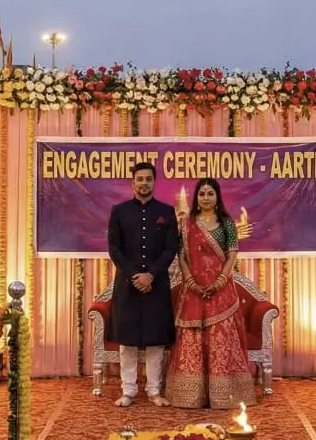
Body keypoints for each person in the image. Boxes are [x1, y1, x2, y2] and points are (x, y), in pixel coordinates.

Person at [166, 178, 256, 409]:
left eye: (210, 193)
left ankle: (223, 395)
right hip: (193, 291)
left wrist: (219, 281)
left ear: (217, 197)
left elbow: (232, 255)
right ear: (196, 197)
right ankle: (191, 395)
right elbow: (182, 256)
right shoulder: (186, 225)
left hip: (221, 292)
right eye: (202, 193)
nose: (205, 197)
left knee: (221, 340)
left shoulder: (227, 223)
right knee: (192, 340)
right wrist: (190, 281)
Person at [106, 162, 179, 408]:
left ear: (154, 182)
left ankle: (154, 390)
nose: (144, 183)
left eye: (148, 179)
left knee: (155, 341)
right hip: (127, 285)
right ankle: (128, 390)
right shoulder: (119, 211)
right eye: (140, 179)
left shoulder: (167, 212)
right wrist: (134, 275)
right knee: (127, 341)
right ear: (133, 182)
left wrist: (152, 275)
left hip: (156, 285)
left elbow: (171, 248)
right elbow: (114, 249)